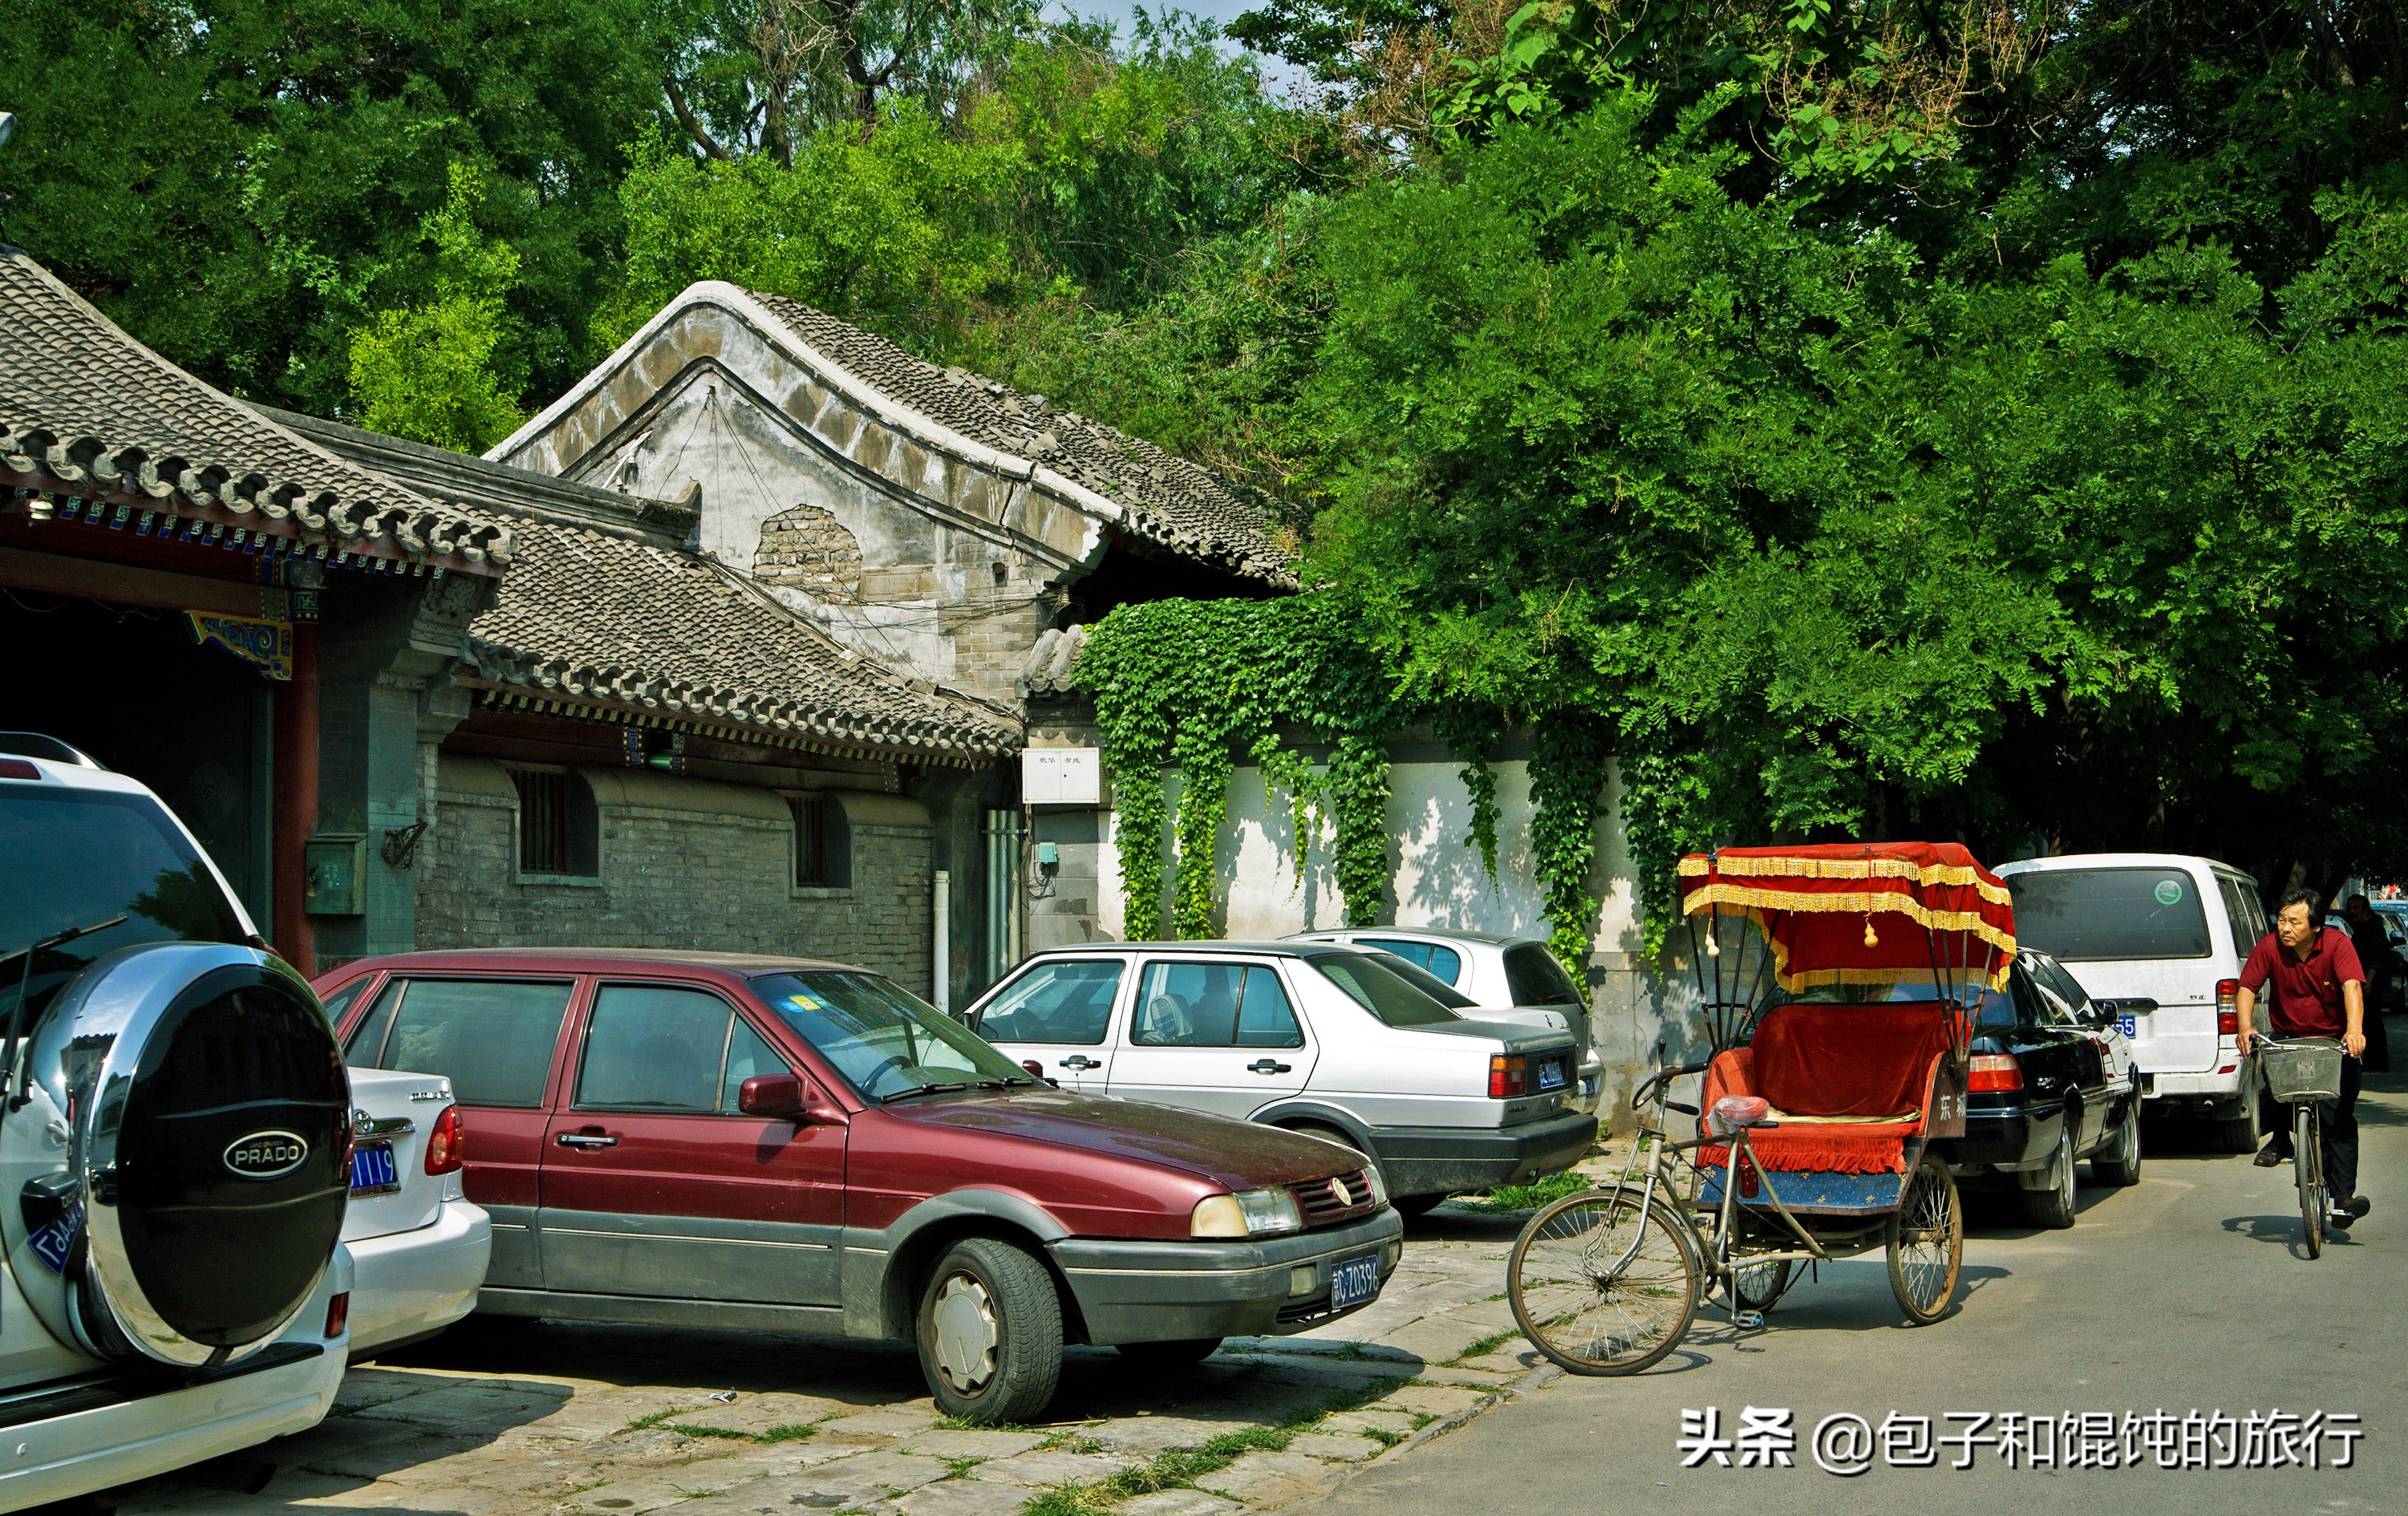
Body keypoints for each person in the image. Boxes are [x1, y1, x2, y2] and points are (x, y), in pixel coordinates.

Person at [2236, 889, 2371, 1228]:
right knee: (2272, 1089)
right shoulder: (2269, 947)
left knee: (2338, 1119)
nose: (2285, 928)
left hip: (2334, 1039)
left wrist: (2354, 1030)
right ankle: (2281, 1139)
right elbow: (2247, 987)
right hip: (2289, 1036)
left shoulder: (2338, 945)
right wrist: (2245, 1026)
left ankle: (2343, 1199)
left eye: (2294, 921)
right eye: (2282, 920)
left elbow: (2352, 987)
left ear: (2315, 926)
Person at [2340, 894, 2397, 1074]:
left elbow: (2376, 957)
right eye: (2349, 908)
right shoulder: (2361, 928)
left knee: (2373, 1023)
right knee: (2370, 1022)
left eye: (2356, 908)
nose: (2352, 912)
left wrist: (2368, 982)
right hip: (2364, 982)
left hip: (2372, 984)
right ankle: (2373, 1061)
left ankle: (2378, 1062)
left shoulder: (2374, 928)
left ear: (2365, 910)